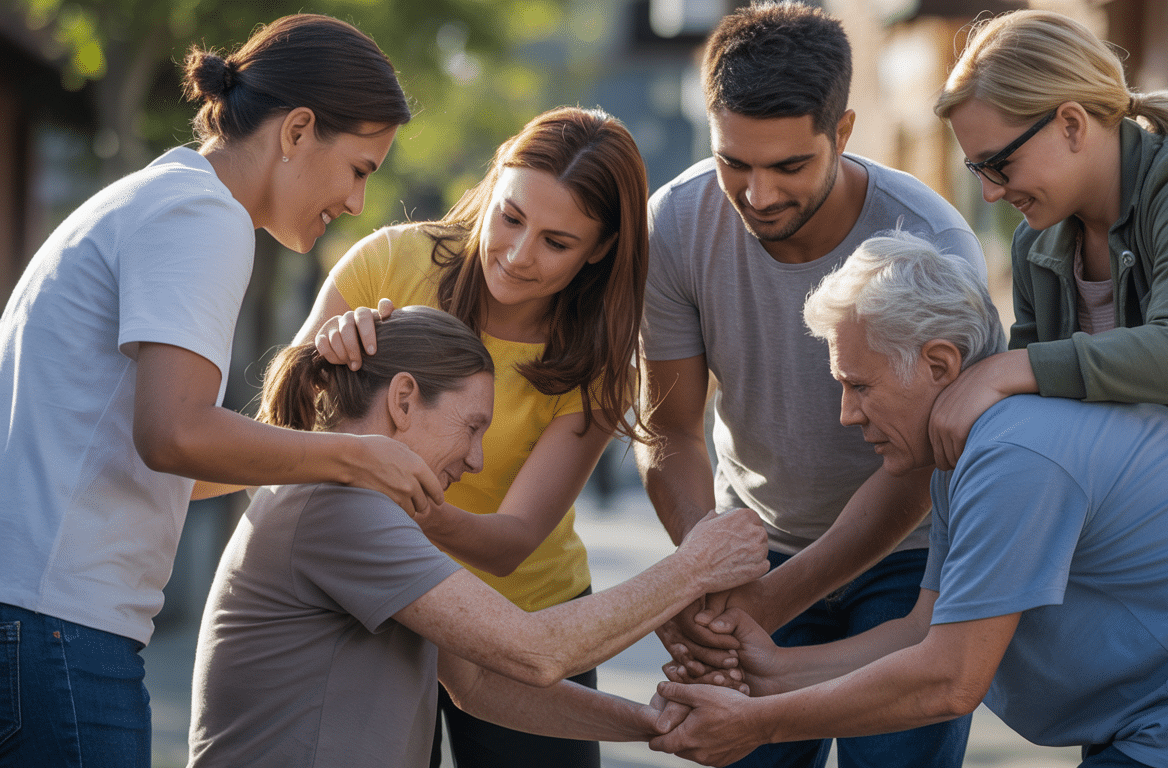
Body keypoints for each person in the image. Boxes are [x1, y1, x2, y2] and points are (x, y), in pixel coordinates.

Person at [650, 230, 1168, 768]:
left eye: (860, 385)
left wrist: (759, 723)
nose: (847, 414)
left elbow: (950, 681)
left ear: (940, 364)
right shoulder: (974, 446)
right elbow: (923, 632)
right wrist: (766, 672)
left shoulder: (1016, 451)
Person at [0, 14, 434, 767]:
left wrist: (327, 452)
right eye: (361, 169)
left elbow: (175, 466)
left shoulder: (161, 197)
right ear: (297, 131)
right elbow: (172, 433)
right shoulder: (205, 216)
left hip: (37, 618)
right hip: (61, 626)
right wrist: (359, 458)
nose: (360, 204)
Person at [188, 306, 766, 767]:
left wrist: (653, 723)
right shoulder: (340, 506)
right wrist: (696, 565)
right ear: (404, 399)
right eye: (471, 427)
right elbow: (534, 651)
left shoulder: (361, 505)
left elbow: (481, 684)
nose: (475, 459)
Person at [635, 3, 981, 766]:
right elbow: (670, 430)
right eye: (736, 163)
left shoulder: (933, 244)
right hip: (752, 549)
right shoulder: (677, 226)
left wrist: (760, 605)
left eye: (789, 166)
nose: (757, 195)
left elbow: (923, 467)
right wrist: (708, 573)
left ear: (844, 132)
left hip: (905, 562)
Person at [293, 105, 649, 768]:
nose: (516, 255)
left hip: (523, 619)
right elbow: (283, 428)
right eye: (511, 217)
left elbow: (511, 543)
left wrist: (397, 489)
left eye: (556, 241)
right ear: (495, 184)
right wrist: (322, 364)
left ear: (600, 248)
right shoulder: (389, 261)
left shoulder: (597, 362)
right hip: (379, 607)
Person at [928, 9, 1168, 509]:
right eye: (976, 170)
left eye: (1000, 165)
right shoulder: (1037, 245)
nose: (989, 193)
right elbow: (1030, 417)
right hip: (1146, 516)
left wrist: (1003, 370)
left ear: (1071, 124)